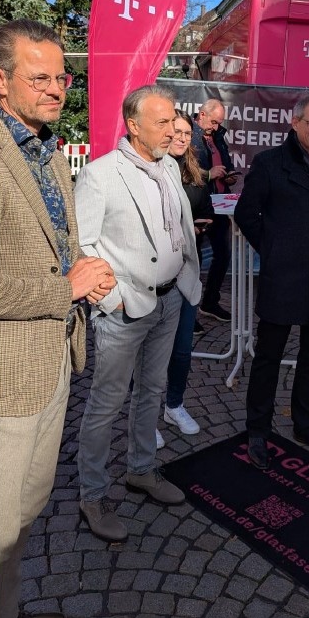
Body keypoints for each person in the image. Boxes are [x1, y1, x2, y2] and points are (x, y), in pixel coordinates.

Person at [0, 19, 116, 618]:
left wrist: (83, 270)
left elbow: (50, 251)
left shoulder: (45, 151)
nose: (55, 88)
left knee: (19, 522)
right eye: (37, 77)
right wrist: (65, 285)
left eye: (60, 76)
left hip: (55, 362)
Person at [73, 85, 202, 542]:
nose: (173, 131)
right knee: (106, 404)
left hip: (169, 300)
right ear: (133, 125)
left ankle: (142, 470)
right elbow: (83, 244)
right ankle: (92, 494)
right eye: (163, 123)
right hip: (126, 308)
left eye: (174, 121)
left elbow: (178, 230)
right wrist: (112, 300)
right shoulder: (100, 175)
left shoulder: (168, 167)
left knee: (152, 389)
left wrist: (187, 278)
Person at [234, 94, 309, 470]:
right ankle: (257, 429)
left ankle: (307, 424)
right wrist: (275, 249)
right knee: (268, 357)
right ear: (295, 122)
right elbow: (246, 213)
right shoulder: (270, 163)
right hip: (283, 276)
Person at [157, 111, 215, 443]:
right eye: (175, 131)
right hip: (154, 278)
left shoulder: (195, 173)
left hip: (186, 274)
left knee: (181, 352)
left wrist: (196, 227)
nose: (180, 137)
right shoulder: (149, 172)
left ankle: (174, 404)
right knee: (148, 355)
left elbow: (205, 213)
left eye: (185, 133)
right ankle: (144, 415)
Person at [191, 99, 239, 323]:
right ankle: (189, 314)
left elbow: (225, 163)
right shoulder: (189, 135)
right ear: (201, 114)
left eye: (220, 123)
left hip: (220, 202)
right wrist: (209, 174)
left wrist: (227, 174)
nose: (216, 127)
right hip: (200, 203)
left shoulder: (217, 136)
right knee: (195, 260)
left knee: (223, 254)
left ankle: (210, 302)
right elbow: (185, 171)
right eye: (213, 122)